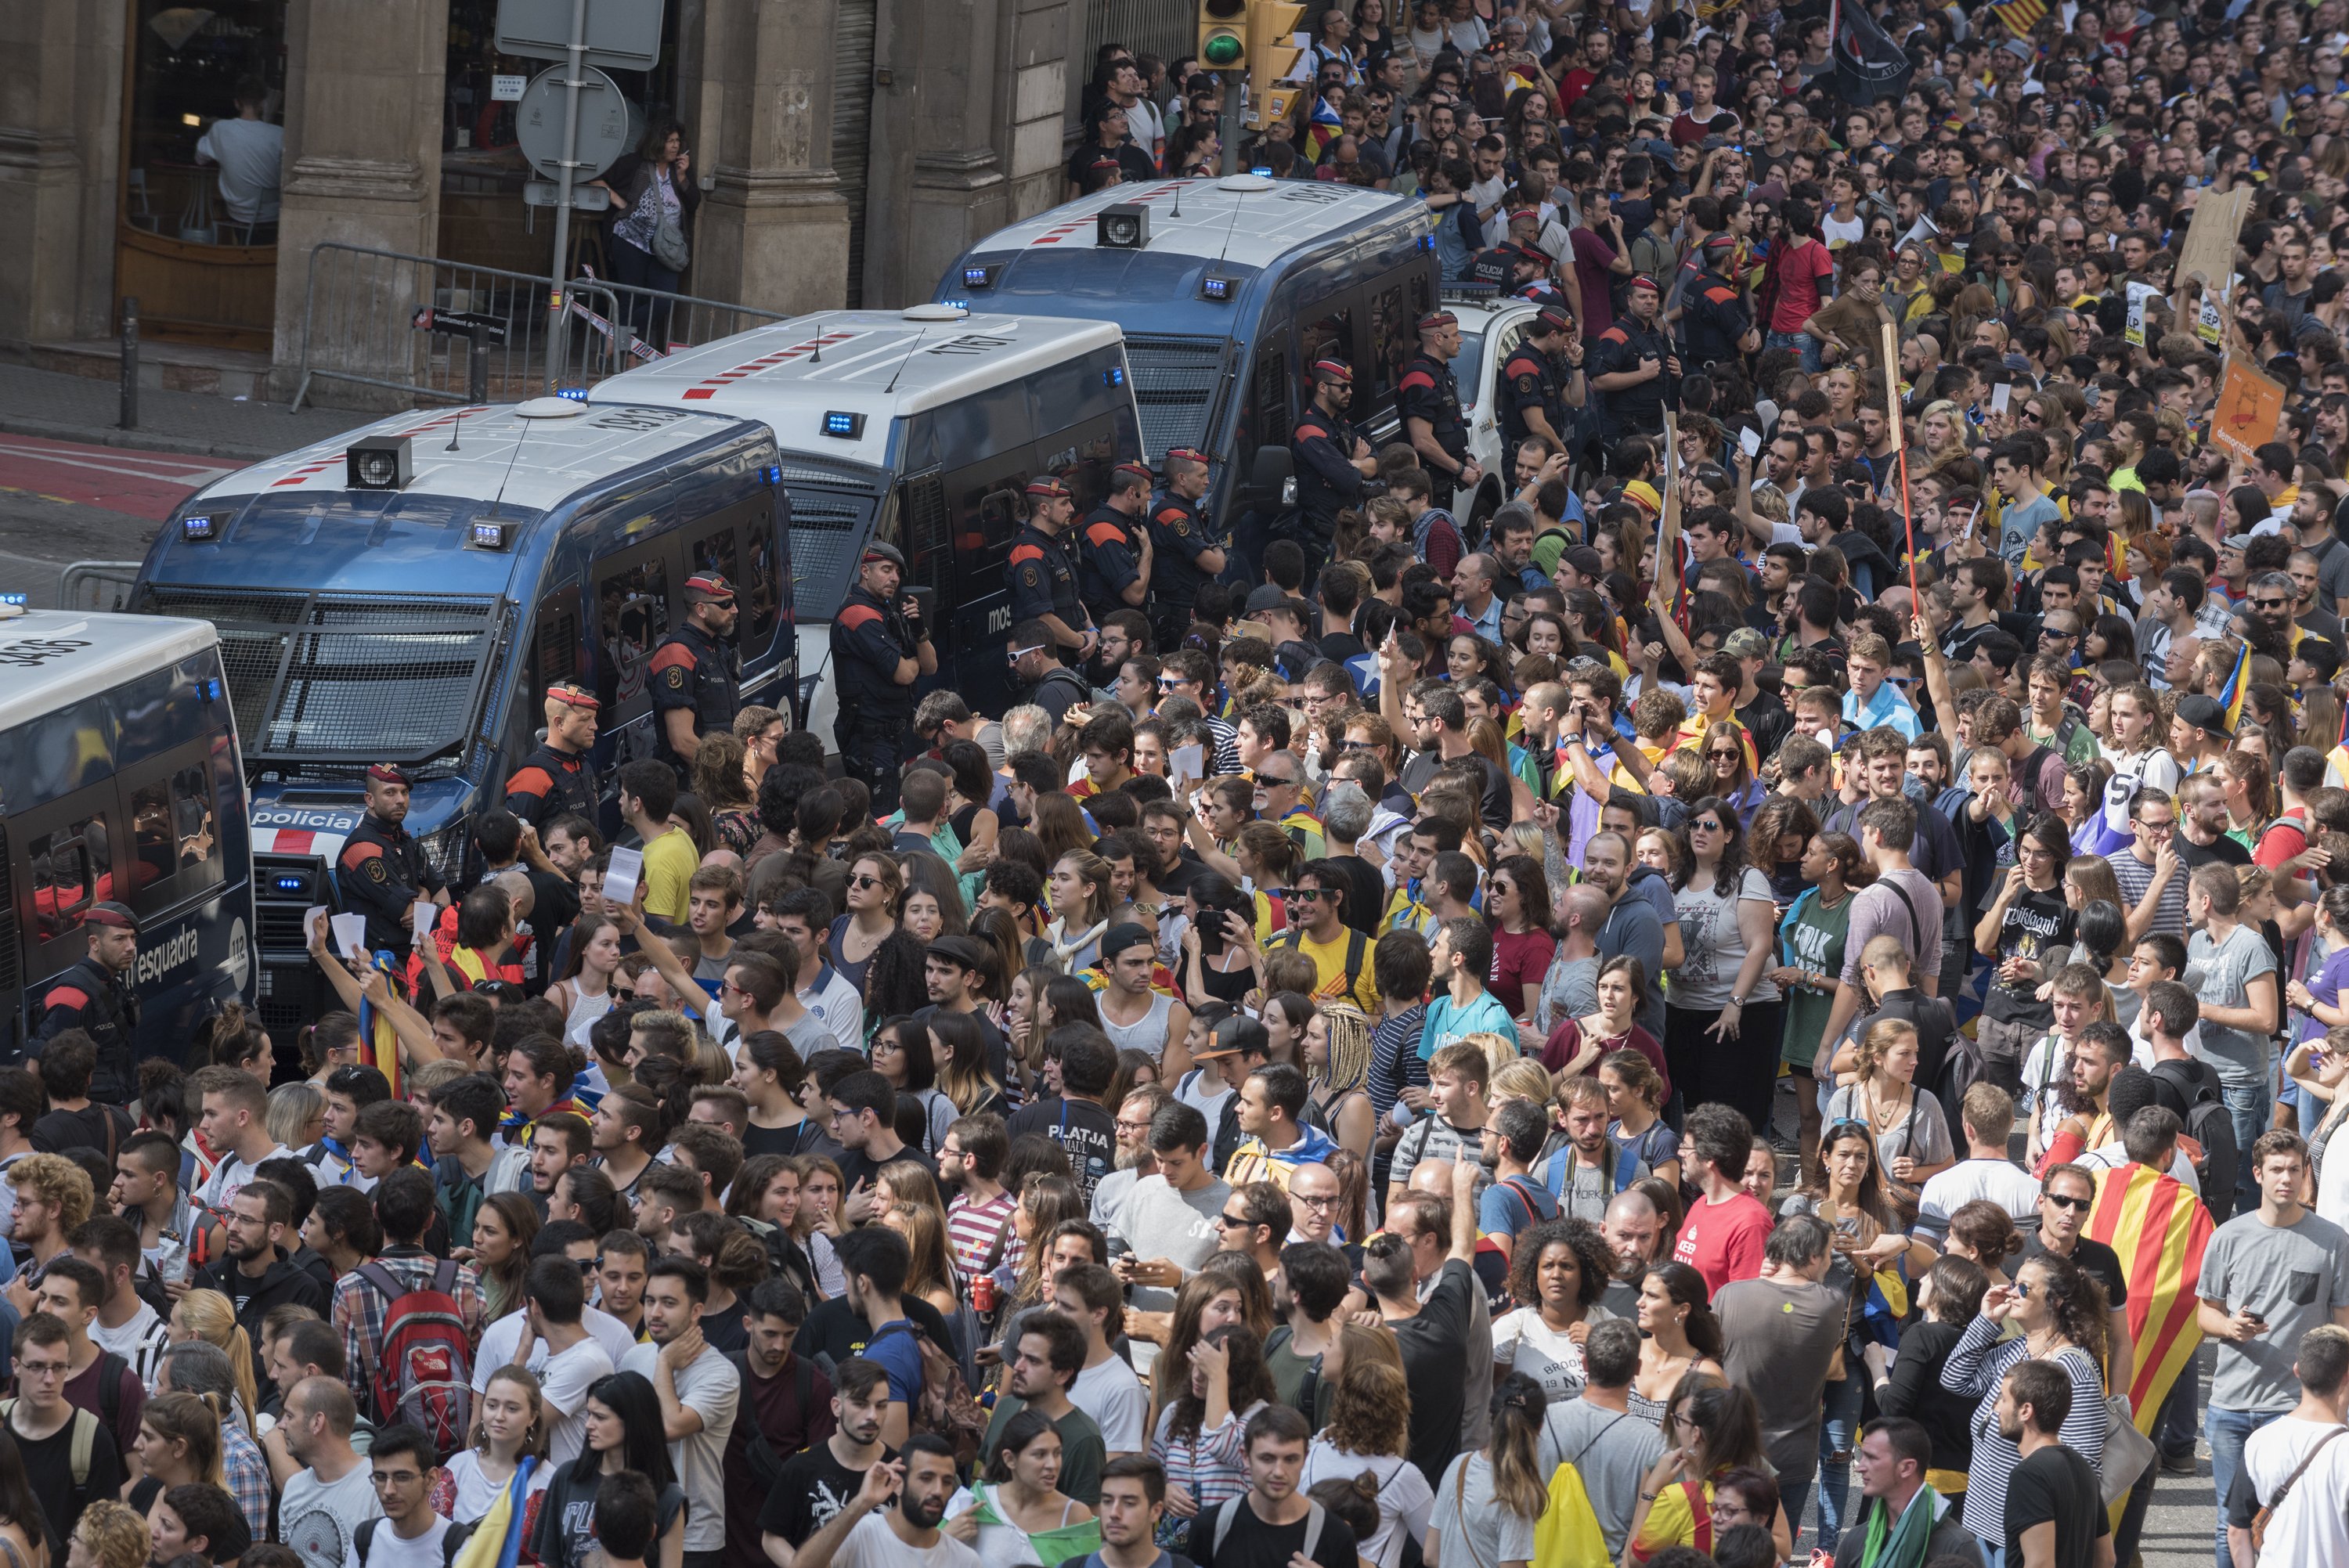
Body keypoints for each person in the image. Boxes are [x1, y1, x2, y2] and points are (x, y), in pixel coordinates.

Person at [2199, 1129, 2349, 1566]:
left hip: (2296, 1409)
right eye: (2277, 1169)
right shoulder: (2228, 1236)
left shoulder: (2332, 1240)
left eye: (2295, 1170)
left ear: (2306, 1176)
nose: (2286, 1178)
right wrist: (2231, 1326)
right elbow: (2204, 1315)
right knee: (2232, 1523)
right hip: (2231, 1406)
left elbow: (2343, 1324)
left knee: (2295, 1520)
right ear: (2258, 1174)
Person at [1716, 1215, 1847, 1535]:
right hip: (1794, 1455)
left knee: (1723, 1542)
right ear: (1813, 1257)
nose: (1829, 1262)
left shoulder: (1728, 1295)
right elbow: (1836, 1368)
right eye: (1828, 1253)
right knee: (1775, 1547)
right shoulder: (1831, 1303)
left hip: (1734, 1449)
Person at [621, 1256, 740, 1568]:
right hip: (634, 1526)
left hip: (694, 1536)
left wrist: (664, 1363)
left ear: (696, 1311)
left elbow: (670, 1427)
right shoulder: (634, 1358)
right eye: (650, 1301)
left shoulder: (720, 1374)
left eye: (669, 1303)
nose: (655, 1312)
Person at [1535, 1318, 1665, 1559]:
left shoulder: (1541, 1423)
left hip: (1543, 1557)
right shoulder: (1654, 1442)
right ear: (1637, 1367)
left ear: (1585, 1363)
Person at [756, 1357, 897, 1567]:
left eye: (881, 1406)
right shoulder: (801, 1467)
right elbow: (772, 1537)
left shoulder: (898, 1468)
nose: (872, 1416)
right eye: (860, 1404)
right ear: (836, 1407)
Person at [7, 1312, 123, 1559]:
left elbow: (106, 1538)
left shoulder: (93, 1439)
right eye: (36, 1366)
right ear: (16, 1367)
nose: (49, 1379)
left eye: (59, 1367)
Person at [832, 542, 936, 814]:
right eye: (886, 570)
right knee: (878, 816)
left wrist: (919, 631)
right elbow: (905, 674)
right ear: (865, 572)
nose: (894, 578)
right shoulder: (859, 616)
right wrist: (913, 661)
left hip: (890, 736)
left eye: (898, 573)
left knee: (890, 810)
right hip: (868, 738)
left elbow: (931, 666)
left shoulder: (886, 612)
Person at [1185, 1404, 1359, 1568]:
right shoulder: (1209, 1527)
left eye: (1290, 1459)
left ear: (1305, 1459)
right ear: (1245, 1457)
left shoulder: (1336, 1536)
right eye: (1267, 1459)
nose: (1279, 1471)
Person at [788, 1435, 980, 1568]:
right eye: (926, 1478)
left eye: (946, 1482)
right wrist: (860, 1504)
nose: (938, 1491)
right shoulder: (862, 1533)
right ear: (897, 1483)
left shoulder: (966, 1561)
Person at [941, 1407, 1100, 1566]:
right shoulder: (974, 1501)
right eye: (1040, 1454)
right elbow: (925, 1554)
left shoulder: (1075, 1517)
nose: (1052, 1464)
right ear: (1010, 1459)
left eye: (1057, 1453)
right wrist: (946, 1540)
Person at [978, 1310, 1107, 1506]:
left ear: (1063, 1374)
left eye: (1033, 1361)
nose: (1018, 1366)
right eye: (1019, 1355)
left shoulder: (1084, 1439)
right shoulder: (1005, 1407)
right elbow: (984, 1477)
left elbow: (1087, 1524)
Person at [1997, 1361, 2113, 1568]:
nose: (1997, 1407)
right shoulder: (2081, 1465)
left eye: (2003, 1399)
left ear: (2025, 1411)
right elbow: (2106, 1558)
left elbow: (2040, 1564)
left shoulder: (2029, 1475)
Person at [1828, 1417, 1983, 1568]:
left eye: (1872, 1458)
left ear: (1906, 1468)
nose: (1859, 1467)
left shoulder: (1957, 1547)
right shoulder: (1856, 1540)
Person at [31, 903, 143, 1105]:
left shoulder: (112, 983)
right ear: (94, 943)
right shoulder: (71, 997)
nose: (131, 947)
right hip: (83, 1119)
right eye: (120, 939)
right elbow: (39, 1063)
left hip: (113, 1108)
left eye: (133, 937)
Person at [334, 766, 449, 957]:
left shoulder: (401, 838)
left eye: (404, 793)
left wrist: (432, 903)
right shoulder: (364, 850)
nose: (401, 800)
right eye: (390, 793)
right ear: (370, 800)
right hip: (379, 964)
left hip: (411, 956)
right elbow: (411, 914)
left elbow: (443, 893)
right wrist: (427, 893)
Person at [277, 1376, 383, 1568]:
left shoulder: (378, 1489)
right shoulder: (294, 1487)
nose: (281, 1425)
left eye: (290, 1416)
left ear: (317, 1422)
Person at [648, 572, 742, 781]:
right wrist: (725, 779)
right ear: (701, 609)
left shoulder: (718, 648)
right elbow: (682, 741)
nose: (735, 610)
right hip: (697, 784)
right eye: (726, 604)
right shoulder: (677, 655)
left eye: (734, 602)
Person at [500, 684, 603, 832]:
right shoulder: (532, 778)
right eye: (586, 719)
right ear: (559, 723)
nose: (594, 726)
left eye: (594, 718)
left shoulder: (581, 764)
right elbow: (514, 844)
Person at [351, 1423, 454, 1568]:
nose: (388, 1490)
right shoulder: (364, 1540)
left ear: (431, 1479)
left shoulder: (458, 1549)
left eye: (402, 1477)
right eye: (380, 1477)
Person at [193, 76, 282, 232]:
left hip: (237, 213)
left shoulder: (220, 129)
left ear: (236, 103)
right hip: (272, 215)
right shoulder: (279, 134)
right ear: (263, 104)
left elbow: (200, 159)